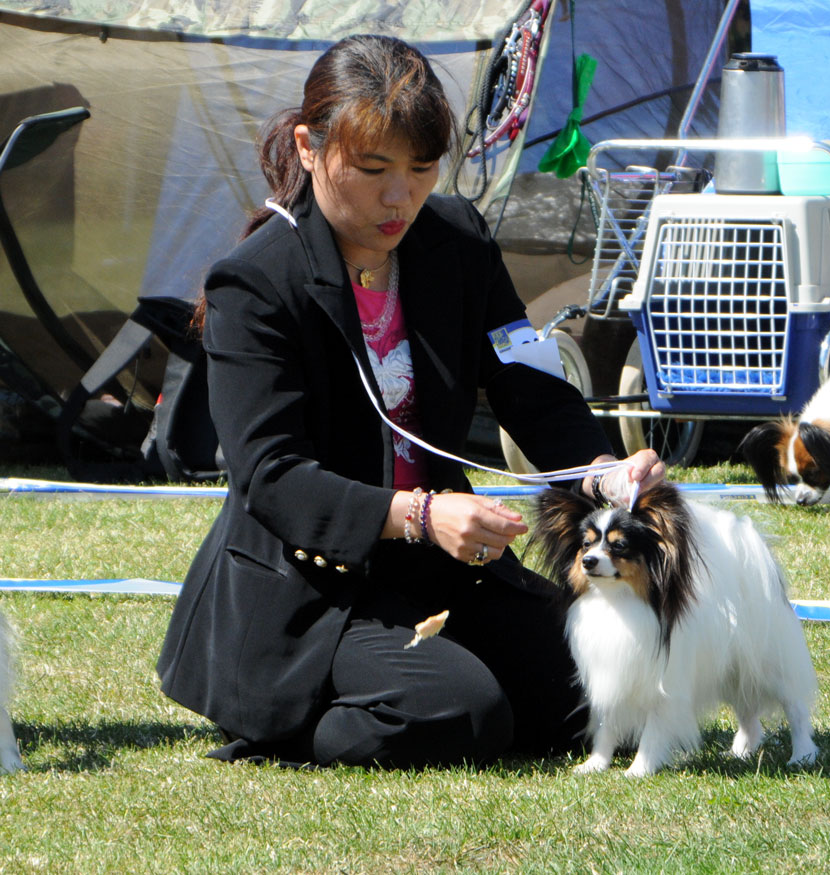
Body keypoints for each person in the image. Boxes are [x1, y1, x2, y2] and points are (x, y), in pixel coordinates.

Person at [157, 34, 665, 768]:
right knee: (463, 713)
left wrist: (601, 472)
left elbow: (526, 379)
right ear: (307, 146)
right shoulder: (255, 284)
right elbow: (272, 477)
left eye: (421, 169)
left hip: (434, 569)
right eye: (373, 169)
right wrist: (422, 514)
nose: (401, 197)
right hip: (316, 590)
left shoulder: (458, 242)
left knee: (589, 689)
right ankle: (286, 724)